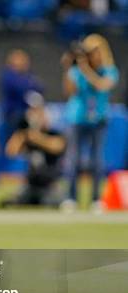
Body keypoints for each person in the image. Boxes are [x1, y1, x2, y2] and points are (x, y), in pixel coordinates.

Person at [61, 34, 118, 212]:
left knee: (97, 161)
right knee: (74, 159)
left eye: (96, 52)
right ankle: (71, 198)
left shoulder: (109, 70)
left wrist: (85, 68)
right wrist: (68, 69)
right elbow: (69, 92)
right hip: (77, 118)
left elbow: (102, 85)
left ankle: (96, 199)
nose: (94, 56)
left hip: (99, 120)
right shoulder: (77, 70)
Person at [1, 92, 66, 207]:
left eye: (38, 112)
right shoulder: (27, 135)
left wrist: (37, 137)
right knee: (11, 202)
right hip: (31, 185)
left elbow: (57, 146)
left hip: (50, 186)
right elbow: (11, 151)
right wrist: (22, 132)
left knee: (52, 202)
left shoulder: (53, 133)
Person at [0, 49, 43, 177]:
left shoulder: (28, 76)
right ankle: (3, 174)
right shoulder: (8, 76)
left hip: (24, 119)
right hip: (12, 117)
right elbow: (20, 88)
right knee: (7, 148)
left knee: (28, 148)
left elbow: (40, 87)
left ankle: (26, 173)